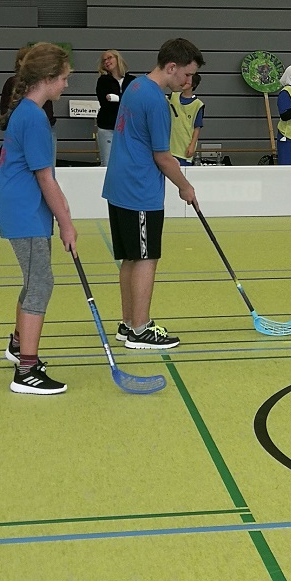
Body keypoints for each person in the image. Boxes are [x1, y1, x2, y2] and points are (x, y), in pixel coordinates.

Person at [102, 37, 204, 350]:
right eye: (187, 74)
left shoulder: (134, 86)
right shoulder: (157, 102)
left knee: (131, 258)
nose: (188, 82)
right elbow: (163, 157)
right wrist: (185, 187)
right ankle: (140, 329)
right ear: (171, 67)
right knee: (146, 258)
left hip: (119, 186)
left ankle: (128, 323)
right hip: (140, 190)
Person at [0, 43, 76, 395]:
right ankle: (26, 371)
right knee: (41, 283)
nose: (66, 85)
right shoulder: (33, 117)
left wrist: (61, 213)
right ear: (47, 78)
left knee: (34, 281)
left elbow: (44, 176)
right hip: (25, 211)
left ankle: (18, 345)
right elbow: (45, 178)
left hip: (25, 209)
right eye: (64, 78)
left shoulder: (28, 112)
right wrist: (67, 224)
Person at [1, 44, 56, 164]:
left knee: (47, 164)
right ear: (20, 62)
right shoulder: (11, 83)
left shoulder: (44, 83)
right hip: (20, 132)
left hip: (45, 128)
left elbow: (48, 109)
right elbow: (4, 109)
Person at [96, 49, 137, 166]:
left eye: (109, 58)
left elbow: (135, 101)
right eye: (104, 60)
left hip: (128, 128)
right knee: (108, 162)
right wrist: (124, 99)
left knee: (128, 162)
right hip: (107, 127)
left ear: (118, 59)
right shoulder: (103, 81)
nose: (106, 61)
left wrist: (116, 98)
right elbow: (105, 103)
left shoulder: (132, 80)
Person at [169, 72, 205, 165]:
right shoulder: (172, 96)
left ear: (194, 84)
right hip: (169, 148)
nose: (184, 82)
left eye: (188, 81)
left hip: (184, 148)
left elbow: (197, 128)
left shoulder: (198, 104)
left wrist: (192, 146)